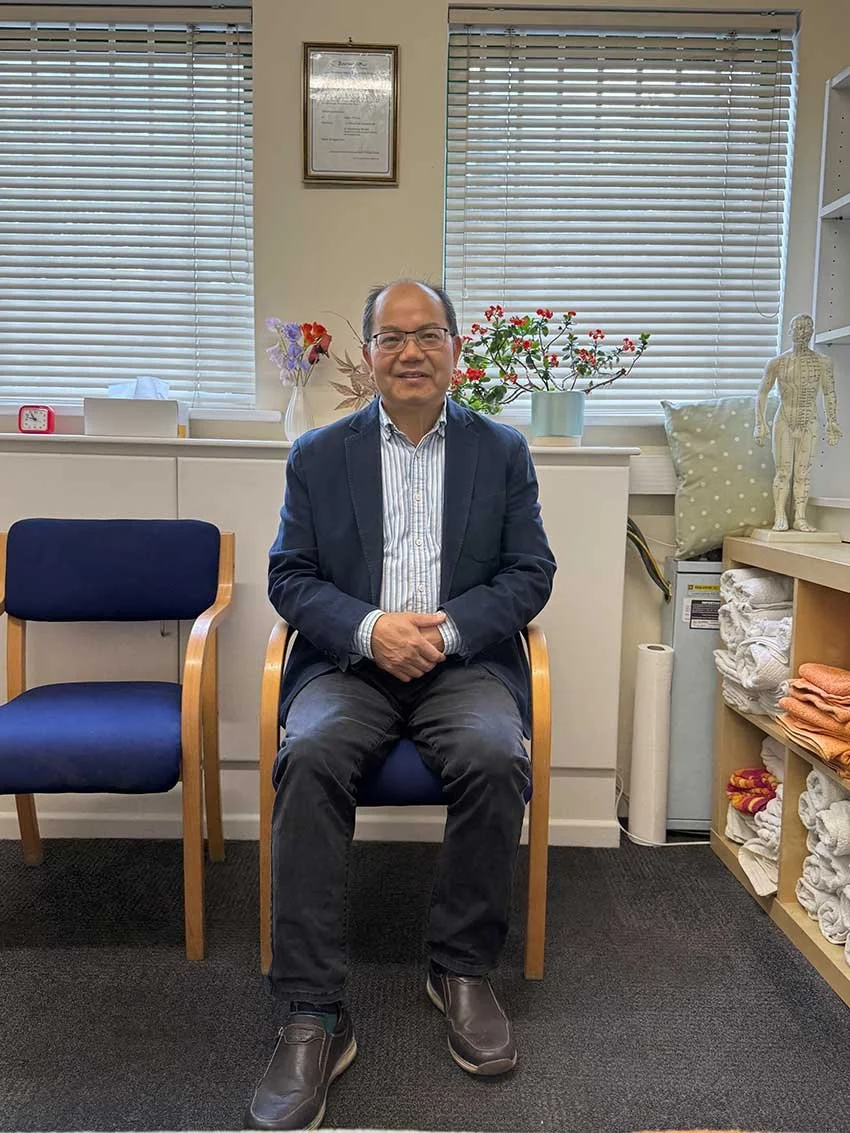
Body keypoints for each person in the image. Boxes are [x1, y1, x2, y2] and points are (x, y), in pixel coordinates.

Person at [246, 280, 556, 1130]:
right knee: (306, 755)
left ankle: (459, 967)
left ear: (456, 349)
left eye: (428, 335)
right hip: (351, 662)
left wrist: (448, 632)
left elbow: (531, 572)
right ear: (369, 352)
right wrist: (373, 628)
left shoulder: (503, 452)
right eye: (392, 337)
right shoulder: (317, 453)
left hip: (460, 663)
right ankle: (313, 1011)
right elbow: (289, 576)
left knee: (497, 754)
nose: (411, 351)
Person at [754, 313, 842, 532]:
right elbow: (762, 393)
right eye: (799, 328)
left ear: (812, 332)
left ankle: (800, 517)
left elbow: (829, 393)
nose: (803, 333)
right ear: (790, 331)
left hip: (809, 420)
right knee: (783, 471)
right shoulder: (777, 363)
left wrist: (832, 421)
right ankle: (780, 515)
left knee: (803, 471)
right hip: (784, 419)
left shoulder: (823, 362)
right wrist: (760, 423)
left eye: (807, 328)